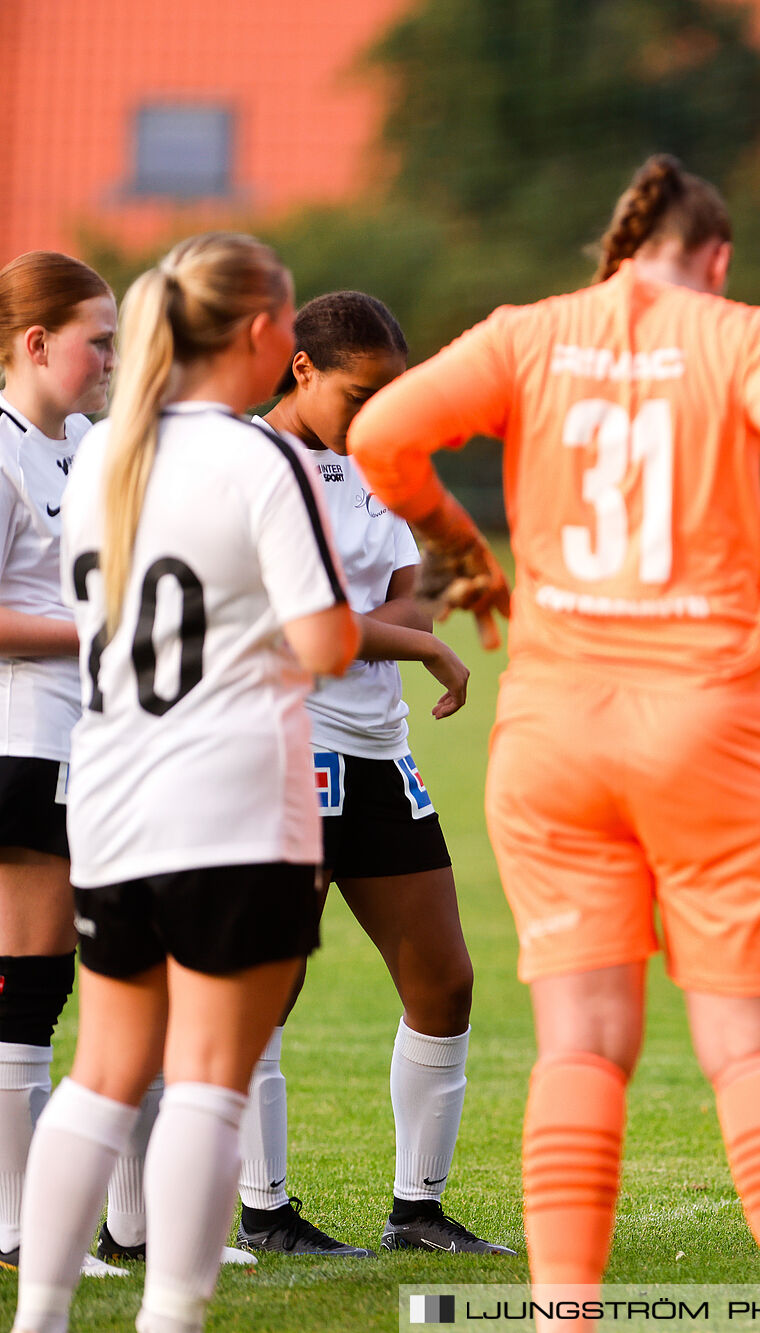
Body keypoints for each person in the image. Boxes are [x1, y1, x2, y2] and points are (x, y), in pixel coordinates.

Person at [347, 154, 760, 1328]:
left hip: (556, 729)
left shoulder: (532, 332)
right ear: (716, 256)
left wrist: (460, 544)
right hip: (711, 725)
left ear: (617, 248)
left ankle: (564, 1314)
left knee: (578, 1048)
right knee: (751, 1053)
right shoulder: (740, 333)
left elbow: (384, 435)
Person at [87, 290, 503, 1264]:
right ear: (303, 371)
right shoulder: (244, 461)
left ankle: (417, 1209)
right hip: (279, 740)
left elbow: (408, 593)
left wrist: (399, 631)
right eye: (361, 391)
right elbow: (290, 628)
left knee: (443, 980)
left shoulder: (380, 464)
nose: (378, 412)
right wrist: (408, 642)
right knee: (263, 983)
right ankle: (265, 1212)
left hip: (378, 749)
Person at [11, 231, 359, 1333]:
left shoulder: (105, 448)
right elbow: (325, 640)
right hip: (233, 797)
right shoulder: (262, 459)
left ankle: (43, 1315)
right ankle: (170, 1317)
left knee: (102, 1071)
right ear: (259, 332)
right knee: (207, 1076)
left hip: (111, 792)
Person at [0, 252, 123, 1280]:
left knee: (113, 970)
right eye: (99, 339)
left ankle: (122, 1218)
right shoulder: (0, 454)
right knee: (29, 984)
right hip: (21, 744)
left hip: (96, 743)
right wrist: (97, 633)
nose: (113, 359)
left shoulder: (85, 445)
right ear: (36, 345)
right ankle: (13, 1231)